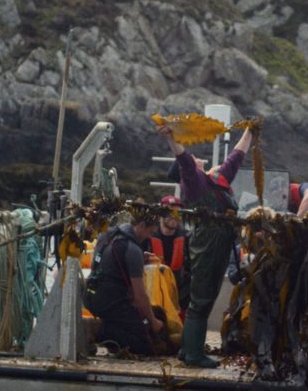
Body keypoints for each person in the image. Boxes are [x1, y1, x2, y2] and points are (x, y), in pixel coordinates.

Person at [156, 122, 253, 368]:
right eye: (195, 160)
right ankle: (194, 355)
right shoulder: (194, 181)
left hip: (218, 242)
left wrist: (250, 132)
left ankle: (187, 350)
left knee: (204, 298)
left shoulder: (216, 181)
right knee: (201, 299)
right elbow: (183, 157)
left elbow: (236, 157)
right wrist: (171, 137)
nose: (198, 159)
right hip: (207, 243)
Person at [83, 209, 165, 356]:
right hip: (111, 302)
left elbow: (107, 264)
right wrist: (153, 321)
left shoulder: (107, 235)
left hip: (91, 295)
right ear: (141, 225)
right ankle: (97, 330)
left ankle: (111, 335)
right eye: (150, 232)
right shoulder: (133, 250)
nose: (149, 237)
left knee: (150, 316)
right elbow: (140, 297)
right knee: (145, 344)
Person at [148, 194, 191, 316]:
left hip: (179, 296)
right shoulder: (148, 237)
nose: (174, 216)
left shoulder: (187, 238)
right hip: (154, 294)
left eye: (178, 212)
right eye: (170, 211)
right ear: (161, 214)